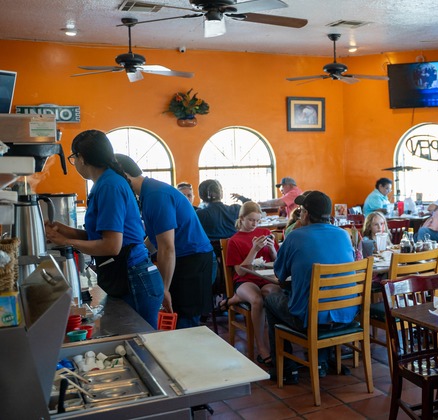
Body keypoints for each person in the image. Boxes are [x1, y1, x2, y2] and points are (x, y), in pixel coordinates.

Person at [44, 130, 164, 329]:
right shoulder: (104, 183)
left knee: (139, 343)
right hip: (126, 273)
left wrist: (66, 242)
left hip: (133, 276)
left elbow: (111, 245)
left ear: (81, 158)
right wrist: (65, 230)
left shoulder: (109, 186)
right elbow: (99, 236)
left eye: (73, 158)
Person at [264, 191, 358, 383]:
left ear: (305, 213)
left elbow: (280, 277)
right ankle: (323, 361)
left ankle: (287, 370)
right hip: (347, 315)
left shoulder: (295, 236)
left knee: (271, 300)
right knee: (321, 301)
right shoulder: (343, 235)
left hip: (311, 319)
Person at [115, 154, 215, 329]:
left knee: (185, 323)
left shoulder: (156, 195)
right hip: (182, 259)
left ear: (124, 176)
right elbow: (155, 239)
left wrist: (164, 289)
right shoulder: (147, 193)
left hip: (192, 261)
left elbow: (167, 247)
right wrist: (137, 254)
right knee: (176, 319)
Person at [224, 201, 281, 366]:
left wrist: (272, 250)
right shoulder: (234, 241)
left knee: (275, 293)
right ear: (241, 219)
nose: (254, 224)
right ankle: (262, 347)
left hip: (265, 278)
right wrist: (254, 250)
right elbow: (240, 272)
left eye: (257, 220)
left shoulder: (265, 232)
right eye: (250, 220)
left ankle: (279, 342)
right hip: (245, 280)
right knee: (257, 300)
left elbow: (277, 263)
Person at [232, 177, 303, 217]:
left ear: (290, 185)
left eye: (282, 186)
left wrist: (263, 203)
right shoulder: (292, 194)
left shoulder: (294, 192)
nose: (281, 189)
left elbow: (278, 202)